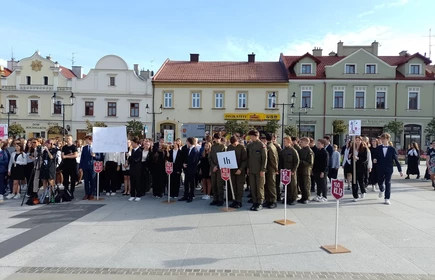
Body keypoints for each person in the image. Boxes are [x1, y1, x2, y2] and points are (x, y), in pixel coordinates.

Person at [372, 133, 403, 205]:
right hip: (380, 168)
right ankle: (382, 189)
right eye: (381, 138)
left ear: (388, 139)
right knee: (380, 182)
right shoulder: (378, 148)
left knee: (388, 183)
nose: (382, 140)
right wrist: (375, 159)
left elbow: (396, 160)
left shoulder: (392, 149)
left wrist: (400, 170)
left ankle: (387, 198)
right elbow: (375, 156)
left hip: (389, 169)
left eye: (384, 138)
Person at [247, 130, 267, 211]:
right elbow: (248, 158)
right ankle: (254, 202)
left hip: (259, 170)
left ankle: (260, 202)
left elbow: (265, 159)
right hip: (252, 170)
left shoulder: (261, 145)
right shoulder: (250, 145)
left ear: (256, 136)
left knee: (259, 187)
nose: (251, 138)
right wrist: (248, 168)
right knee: (253, 187)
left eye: (252, 136)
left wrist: (263, 170)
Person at [227, 136, 247, 209]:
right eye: (232, 144)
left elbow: (244, 160)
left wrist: (241, 169)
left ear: (237, 141)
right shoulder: (229, 147)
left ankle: (239, 201)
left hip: (239, 170)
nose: (234, 145)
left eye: (235, 143)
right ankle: (234, 200)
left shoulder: (242, 148)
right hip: (232, 169)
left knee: (239, 186)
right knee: (233, 185)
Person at [279, 136, 300, 205]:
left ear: (289, 142)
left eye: (285, 141)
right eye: (283, 141)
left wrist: (293, 170)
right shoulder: (283, 151)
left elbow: (297, 161)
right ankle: (287, 197)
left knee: (293, 185)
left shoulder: (293, 151)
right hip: (285, 171)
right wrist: (281, 170)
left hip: (291, 171)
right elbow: (281, 161)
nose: (284, 143)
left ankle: (293, 198)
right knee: (286, 185)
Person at [208, 133, 226, 206]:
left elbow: (223, 157)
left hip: (220, 169)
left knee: (219, 185)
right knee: (214, 184)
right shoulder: (212, 147)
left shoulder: (223, 146)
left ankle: (220, 200)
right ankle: (215, 199)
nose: (217, 140)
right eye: (215, 138)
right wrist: (213, 166)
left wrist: (217, 166)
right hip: (213, 168)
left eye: (218, 138)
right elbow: (209, 157)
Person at [180, 137, 200, 203]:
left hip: (192, 169)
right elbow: (187, 158)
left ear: (189, 142)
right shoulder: (189, 149)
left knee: (191, 183)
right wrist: (184, 164)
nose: (186, 142)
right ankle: (185, 195)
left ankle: (191, 196)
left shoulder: (195, 150)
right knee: (186, 182)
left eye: (187, 141)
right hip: (187, 169)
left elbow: (193, 161)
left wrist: (187, 165)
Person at [351, 136, 369, 202]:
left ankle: (363, 191)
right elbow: (350, 155)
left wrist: (358, 158)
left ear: (361, 141)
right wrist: (351, 156)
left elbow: (365, 158)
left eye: (359, 140)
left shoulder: (364, 148)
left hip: (361, 167)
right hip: (354, 166)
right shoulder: (353, 148)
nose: (357, 141)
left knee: (361, 181)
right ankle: (355, 195)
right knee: (354, 181)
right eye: (356, 140)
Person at [296, 137, 313, 204]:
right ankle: (303, 197)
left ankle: (307, 197)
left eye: (302, 142)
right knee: (301, 184)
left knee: (306, 185)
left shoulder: (309, 151)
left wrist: (301, 162)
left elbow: (310, 162)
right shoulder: (301, 150)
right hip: (300, 170)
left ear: (306, 142)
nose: (300, 143)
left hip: (306, 171)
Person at [79, 135, 96, 200]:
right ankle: (87, 193)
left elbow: (99, 157)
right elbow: (82, 158)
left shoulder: (95, 147)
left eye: (87, 140)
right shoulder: (84, 148)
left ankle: (92, 193)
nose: (86, 141)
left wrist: (94, 156)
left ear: (90, 140)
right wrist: (80, 167)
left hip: (92, 166)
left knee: (92, 180)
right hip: (85, 166)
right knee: (86, 181)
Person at [128, 137, 143, 202]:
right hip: (132, 168)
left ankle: (138, 195)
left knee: (137, 182)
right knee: (132, 182)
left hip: (137, 169)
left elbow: (136, 160)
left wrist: (130, 157)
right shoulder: (132, 150)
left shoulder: (139, 151)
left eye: (133, 143)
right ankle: (132, 195)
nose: (132, 144)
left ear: (136, 143)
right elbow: (130, 160)